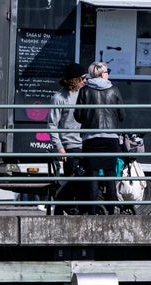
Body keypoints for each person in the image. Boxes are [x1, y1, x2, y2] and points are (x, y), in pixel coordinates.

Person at [74, 62, 125, 214]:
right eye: (107, 71)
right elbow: (122, 115)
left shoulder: (84, 91)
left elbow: (78, 115)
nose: (108, 73)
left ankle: (91, 211)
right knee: (110, 174)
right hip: (111, 138)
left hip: (91, 138)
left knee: (92, 174)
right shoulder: (114, 90)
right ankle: (110, 210)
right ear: (102, 73)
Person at [48, 62, 87, 214]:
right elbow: (52, 124)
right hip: (69, 145)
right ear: (75, 79)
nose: (86, 80)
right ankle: (63, 207)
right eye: (83, 78)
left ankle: (75, 208)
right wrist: (59, 147)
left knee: (84, 180)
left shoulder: (84, 94)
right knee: (72, 179)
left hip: (85, 143)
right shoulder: (59, 98)